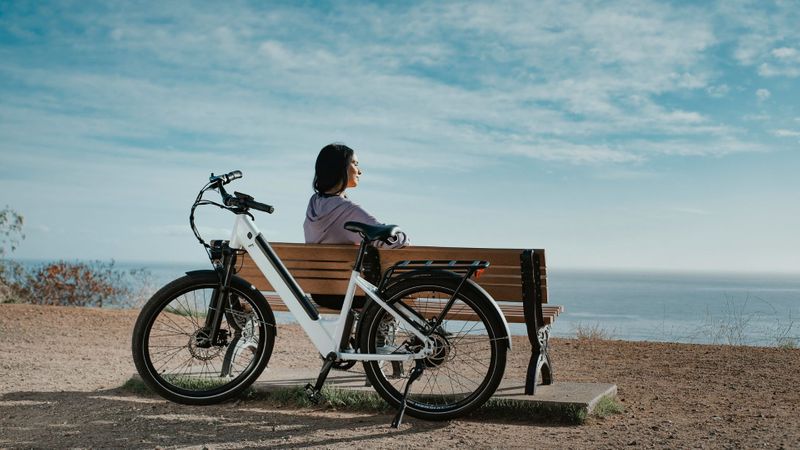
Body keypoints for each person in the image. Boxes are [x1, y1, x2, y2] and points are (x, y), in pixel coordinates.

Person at [303, 143, 409, 309]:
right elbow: (390, 240)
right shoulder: (347, 210)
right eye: (355, 164)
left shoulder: (313, 204)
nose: (360, 171)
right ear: (340, 168)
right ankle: (382, 330)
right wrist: (403, 236)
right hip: (353, 293)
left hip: (321, 293)